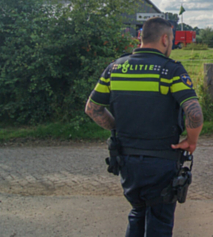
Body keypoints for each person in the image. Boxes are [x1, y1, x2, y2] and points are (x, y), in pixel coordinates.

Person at [85, 17, 204, 237]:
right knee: (159, 220)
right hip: (162, 161)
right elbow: (194, 113)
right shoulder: (171, 70)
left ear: (141, 37)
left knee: (137, 212)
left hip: (126, 161)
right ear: (165, 39)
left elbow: (92, 109)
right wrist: (191, 141)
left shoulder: (115, 68)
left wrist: (117, 128)